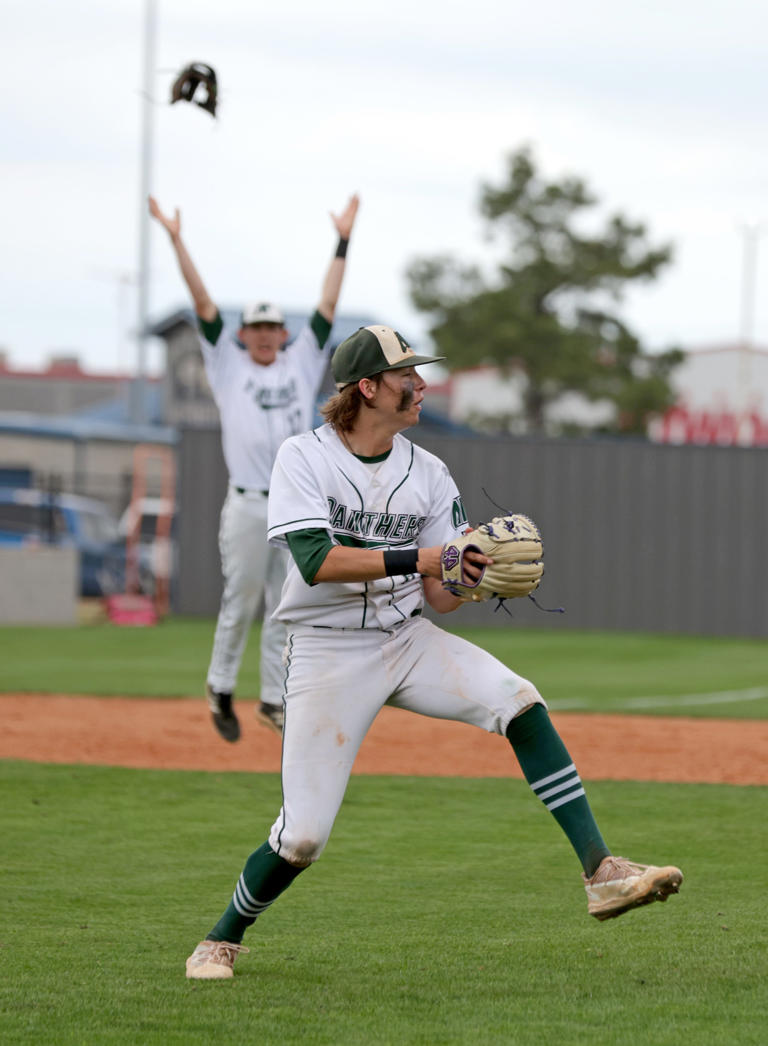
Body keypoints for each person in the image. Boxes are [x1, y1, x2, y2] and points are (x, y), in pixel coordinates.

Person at [185, 324, 683, 979]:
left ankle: (602, 871)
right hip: (327, 653)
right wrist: (428, 557)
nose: (420, 384)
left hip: (405, 639)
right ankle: (219, 939)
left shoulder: (429, 472)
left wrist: (466, 575)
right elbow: (314, 561)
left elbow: (438, 596)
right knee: (303, 837)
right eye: (405, 376)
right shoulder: (302, 458)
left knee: (519, 700)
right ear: (367, 387)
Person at [149, 193, 360, 741]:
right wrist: (176, 238)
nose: (265, 335)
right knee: (240, 598)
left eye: (272, 328)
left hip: (295, 504)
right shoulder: (226, 363)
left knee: (286, 604)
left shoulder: (301, 359)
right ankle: (220, 686)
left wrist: (342, 239)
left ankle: (272, 699)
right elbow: (201, 303)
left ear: (282, 335)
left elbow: (328, 306)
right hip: (246, 502)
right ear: (244, 334)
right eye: (256, 328)